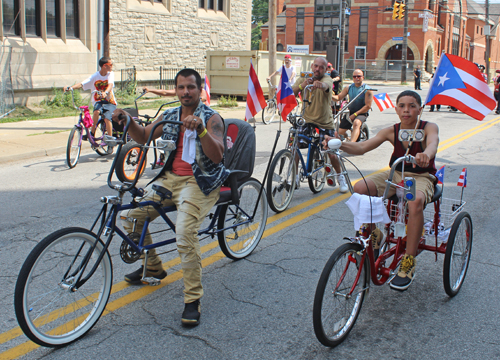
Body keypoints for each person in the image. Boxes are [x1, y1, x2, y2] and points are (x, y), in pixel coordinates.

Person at [112, 68, 229, 326]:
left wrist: (200, 130)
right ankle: (153, 267)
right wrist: (128, 121)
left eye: (191, 87)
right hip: (170, 179)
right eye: (181, 87)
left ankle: (192, 300)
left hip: (199, 182)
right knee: (130, 217)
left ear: (199, 90)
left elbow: (218, 155)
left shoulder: (212, 118)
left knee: (185, 233)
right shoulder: (170, 115)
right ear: (176, 90)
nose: (185, 92)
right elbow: (143, 136)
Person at [324, 90, 439, 291]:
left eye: (412, 106)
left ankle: (408, 261)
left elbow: (433, 145)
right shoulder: (391, 130)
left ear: (420, 109)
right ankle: (375, 233)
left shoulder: (428, 127)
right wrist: (339, 144)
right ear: (396, 109)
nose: (406, 110)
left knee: (414, 201)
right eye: (402, 105)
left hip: (421, 176)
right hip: (396, 173)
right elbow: (362, 148)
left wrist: (425, 155)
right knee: (360, 188)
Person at [292, 57, 348, 193]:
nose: (317, 69)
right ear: (312, 66)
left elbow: (327, 86)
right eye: (316, 66)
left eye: (321, 67)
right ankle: (293, 176)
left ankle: (341, 177)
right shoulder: (305, 77)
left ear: (325, 69)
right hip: (306, 119)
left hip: (324, 122)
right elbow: (292, 92)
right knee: (295, 146)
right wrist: (303, 85)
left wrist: (320, 85)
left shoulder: (326, 79)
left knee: (332, 152)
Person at [65, 57, 116, 141]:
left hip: (109, 102)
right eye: (110, 64)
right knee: (96, 112)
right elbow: (83, 83)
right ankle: (92, 133)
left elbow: (110, 84)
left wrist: (105, 92)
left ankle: (110, 140)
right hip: (99, 101)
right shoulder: (95, 76)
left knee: (107, 118)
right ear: (104, 66)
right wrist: (71, 87)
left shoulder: (110, 74)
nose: (112, 66)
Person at [332, 69, 373, 143]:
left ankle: (352, 145)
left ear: (363, 77)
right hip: (350, 112)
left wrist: (355, 114)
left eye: (359, 76)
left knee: (356, 123)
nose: (356, 78)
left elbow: (368, 106)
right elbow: (338, 97)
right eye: (354, 76)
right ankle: (348, 137)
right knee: (340, 131)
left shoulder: (367, 89)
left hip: (362, 112)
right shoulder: (349, 87)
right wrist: (329, 96)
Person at [143, 86, 209, 106]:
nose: (185, 91)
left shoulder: (200, 90)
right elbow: (165, 92)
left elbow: (204, 98)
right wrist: (149, 90)